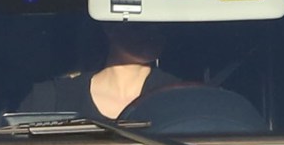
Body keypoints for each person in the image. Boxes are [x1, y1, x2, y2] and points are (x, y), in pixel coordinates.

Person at [19, 22, 179, 120]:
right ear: (109, 27)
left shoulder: (182, 98)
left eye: (160, 24)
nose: (154, 29)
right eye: (140, 22)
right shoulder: (48, 100)